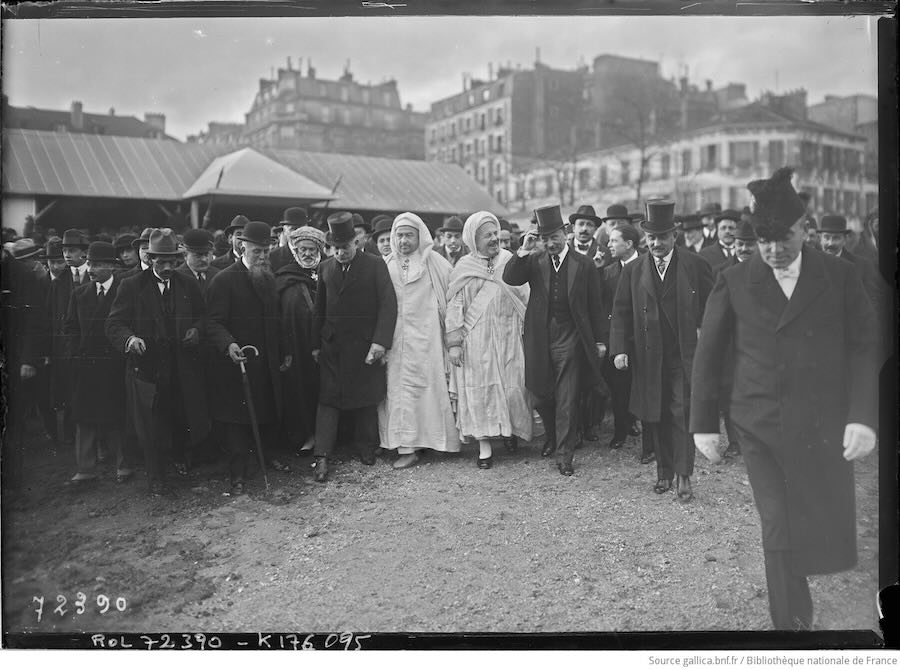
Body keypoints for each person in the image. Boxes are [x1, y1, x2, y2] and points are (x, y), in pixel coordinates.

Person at [691, 167, 880, 630]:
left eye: (784, 238)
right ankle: (789, 625)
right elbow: (708, 355)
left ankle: (796, 606)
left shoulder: (838, 276)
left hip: (822, 425)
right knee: (776, 522)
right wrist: (702, 424)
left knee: (812, 520)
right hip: (759, 426)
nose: (774, 250)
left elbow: (864, 348)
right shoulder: (734, 280)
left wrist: (862, 417)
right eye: (764, 240)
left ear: (804, 229)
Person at [610, 200, 713, 501]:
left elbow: (713, 307)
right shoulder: (634, 271)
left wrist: (704, 332)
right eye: (651, 237)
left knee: (682, 414)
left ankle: (683, 475)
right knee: (656, 416)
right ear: (644, 238)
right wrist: (619, 349)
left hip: (684, 355)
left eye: (662, 237)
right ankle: (663, 473)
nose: (656, 243)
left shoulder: (695, 266)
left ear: (674, 236)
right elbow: (621, 312)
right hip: (648, 356)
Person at [502, 204, 608, 476]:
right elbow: (510, 277)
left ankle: (564, 455)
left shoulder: (583, 264)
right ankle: (553, 436)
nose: (550, 243)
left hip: (572, 337)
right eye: (544, 238)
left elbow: (595, 305)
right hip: (540, 336)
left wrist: (599, 340)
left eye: (554, 237)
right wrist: (523, 248)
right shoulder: (535, 261)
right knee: (540, 396)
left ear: (566, 233)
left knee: (567, 398)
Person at [107, 229, 210, 494]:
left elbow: (203, 315)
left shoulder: (187, 284)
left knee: (179, 416)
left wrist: (197, 330)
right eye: (160, 261)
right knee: (150, 426)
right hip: (148, 369)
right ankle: (156, 477)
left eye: (171, 262)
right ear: (150, 259)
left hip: (180, 367)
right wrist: (130, 340)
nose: (166, 267)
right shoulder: (132, 285)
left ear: (178, 260)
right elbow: (114, 323)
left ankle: (181, 459)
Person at [205, 221, 291, 495]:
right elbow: (213, 323)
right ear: (243, 247)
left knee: (266, 410)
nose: (263, 257)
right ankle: (238, 471)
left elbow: (277, 320)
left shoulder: (268, 276)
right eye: (257, 252)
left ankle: (266, 456)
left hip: (265, 361)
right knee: (238, 419)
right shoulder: (224, 279)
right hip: (237, 363)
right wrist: (228, 344)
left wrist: (285, 350)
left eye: (267, 251)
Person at [310, 212, 397, 482]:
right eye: (335, 249)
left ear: (356, 243)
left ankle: (366, 447)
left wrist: (380, 342)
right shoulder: (325, 268)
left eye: (345, 248)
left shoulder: (374, 265)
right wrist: (315, 345)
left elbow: (388, 305)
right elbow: (319, 310)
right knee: (328, 400)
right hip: (332, 347)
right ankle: (322, 456)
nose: (340, 253)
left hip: (364, 346)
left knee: (365, 399)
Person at [446, 211, 532, 469]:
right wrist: (454, 344)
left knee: (513, 386)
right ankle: (484, 447)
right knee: (480, 392)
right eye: (488, 235)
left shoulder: (510, 260)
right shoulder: (463, 267)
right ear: (474, 239)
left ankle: (511, 433)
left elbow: (525, 296)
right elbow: (455, 306)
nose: (494, 239)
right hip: (476, 341)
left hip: (510, 336)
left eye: (496, 233)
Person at [379, 212, 459, 469]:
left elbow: (453, 296)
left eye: (409, 235)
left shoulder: (435, 263)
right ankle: (406, 447)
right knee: (399, 392)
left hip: (427, 339)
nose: (404, 240)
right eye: (399, 235)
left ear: (419, 236)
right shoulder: (386, 264)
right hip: (396, 339)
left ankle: (432, 441)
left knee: (428, 389)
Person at [64, 242, 131, 485]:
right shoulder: (80, 294)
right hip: (86, 365)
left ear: (112, 266)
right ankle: (86, 468)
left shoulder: (124, 290)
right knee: (84, 417)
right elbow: (70, 328)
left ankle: (123, 464)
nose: (91, 269)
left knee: (117, 415)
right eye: (90, 263)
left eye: (98, 264)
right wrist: (74, 354)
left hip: (115, 364)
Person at [1, 239, 48, 486]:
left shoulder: (22, 273)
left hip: (16, 356)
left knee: (13, 417)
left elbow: (34, 321)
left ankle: (12, 479)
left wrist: (29, 359)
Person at [276, 225, 326, 454]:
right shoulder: (284, 276)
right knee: (300, 390)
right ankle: (306, 434)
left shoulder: (328, 272)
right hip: (296, 344)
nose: (307, 254)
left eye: (312, 249)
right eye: (303, 249)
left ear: (319, 250)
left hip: (324, 344)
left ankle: (325, 436)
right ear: (295, 250)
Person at [602, 223, 643, 454]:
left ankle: (636, 421)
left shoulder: (646, 265)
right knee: (618, 387)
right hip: (618, 338)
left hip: (643, 337)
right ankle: (621, 429)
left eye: (613, 241)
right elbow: (604, 309)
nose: (609, 245)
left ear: (628, 244)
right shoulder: (608, 272)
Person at [568, 204, 607, 443]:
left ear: (594, 229)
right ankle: (573, 427)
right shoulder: (563, 250)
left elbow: (606, 292)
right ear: (573, 227)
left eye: (589, 225)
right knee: (570, 378)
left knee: (591, 375)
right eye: (580, 224)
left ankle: (590, 424)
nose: (584, 229)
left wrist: (600, 271)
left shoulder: (604, 252)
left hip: (592, 321)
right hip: (568, 324)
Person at [175, 228, 220, 299]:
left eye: (207, 254)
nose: (204, 259)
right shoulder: (176, 278)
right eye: (198, 255)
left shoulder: (218, 276)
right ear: (185, 254)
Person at [269, 207, 309, 272]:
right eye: (293, 229)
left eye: (301, 229)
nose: (297, 233)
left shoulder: (318, 255)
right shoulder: (273, 257)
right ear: (285, 231)